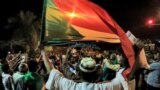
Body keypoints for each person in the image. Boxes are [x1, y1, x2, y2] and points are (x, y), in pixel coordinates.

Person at [41, 49, 128, 90]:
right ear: (95, 74)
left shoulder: (70, 86)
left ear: (78, 73)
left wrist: (43, 52)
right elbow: (126, 75)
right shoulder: (104, 87)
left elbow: (51, 71)